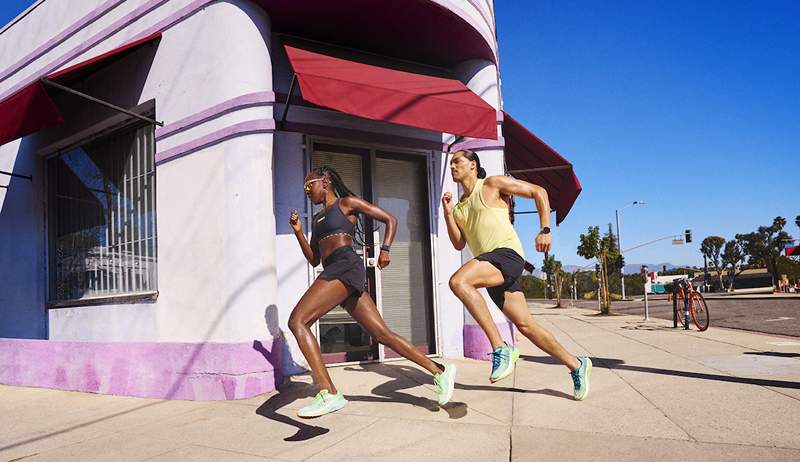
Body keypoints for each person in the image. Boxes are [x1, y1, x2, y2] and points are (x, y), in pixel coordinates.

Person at [289, 165, 456, 417]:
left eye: (308, 185)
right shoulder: (317, 218)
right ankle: (439, 372)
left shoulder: (347, 203)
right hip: (334, 270)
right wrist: (299, 232)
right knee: (382, 334)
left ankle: (328, 392)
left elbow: (390, 219)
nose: (307, 192)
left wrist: (386, 249)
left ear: (324, 182)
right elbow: (313, 259)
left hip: (345, 267)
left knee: (297, 321)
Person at [442, 149, 591, 400]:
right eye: (451, 163)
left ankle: (500, 348)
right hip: (491, 267)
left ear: (472, 165)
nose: (452, 166)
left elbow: (538, 192)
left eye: (457, 161)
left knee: (458, 281)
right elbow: (458, 243)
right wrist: (448, 213)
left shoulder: (491, 184)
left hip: (506, 255)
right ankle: (577, 365)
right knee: (526, 326)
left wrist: (545, 228)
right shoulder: (459, 209)